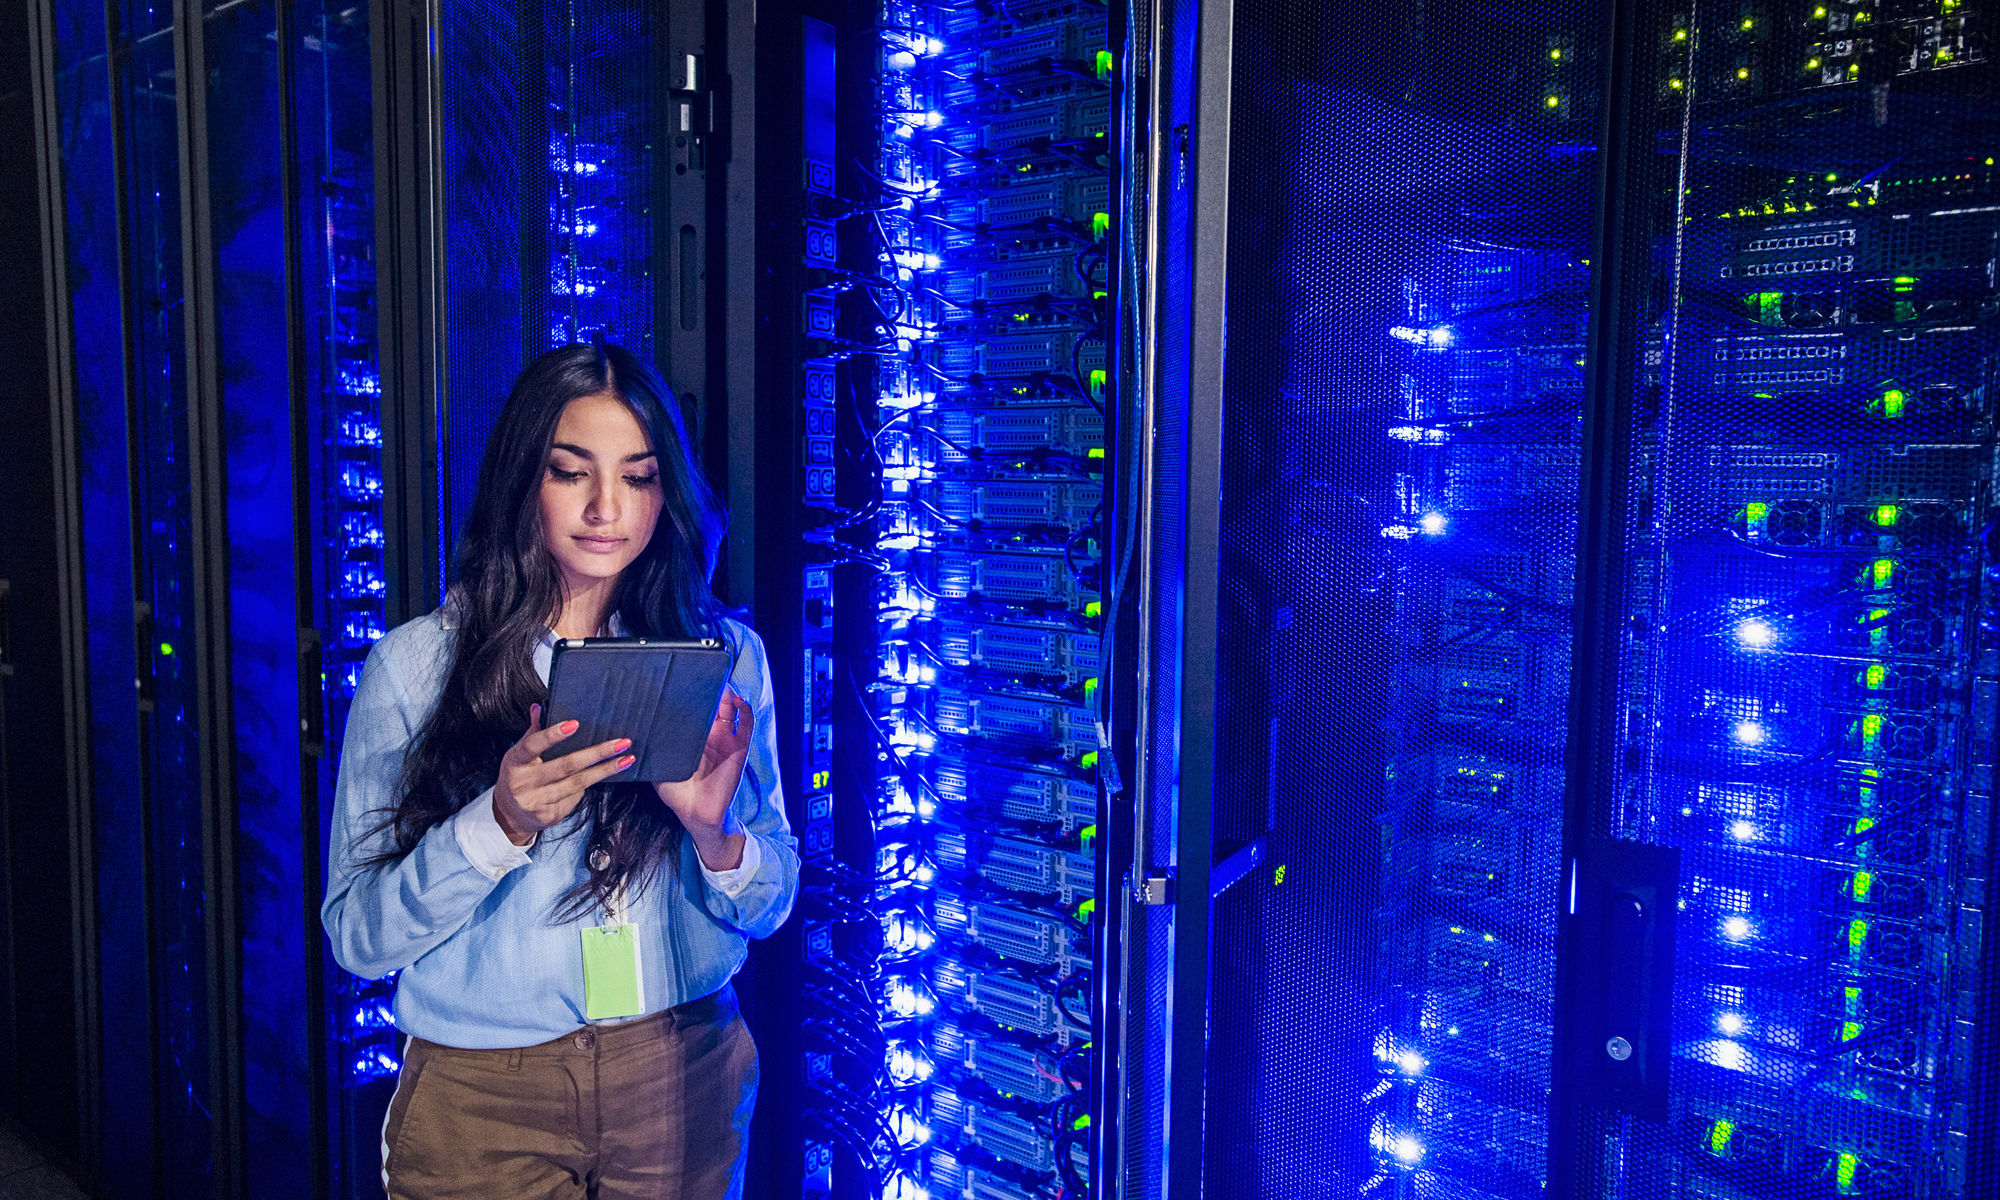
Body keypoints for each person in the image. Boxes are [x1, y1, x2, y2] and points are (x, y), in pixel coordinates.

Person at [322, 342, 799, 1200]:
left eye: (640, 477)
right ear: (522, 480)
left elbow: (772, 906)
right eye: (571, 472)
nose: (607, 508)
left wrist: (713, 834)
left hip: (680, 1072)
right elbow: (359, 938)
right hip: (485, 1096)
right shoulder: (416, 669)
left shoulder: (727, 657)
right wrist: (495, 824)